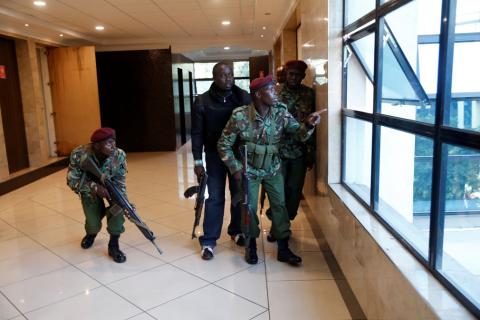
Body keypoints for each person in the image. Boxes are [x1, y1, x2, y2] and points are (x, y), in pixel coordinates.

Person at [217, 75, 325, 266]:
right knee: (248, 208)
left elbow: (298, 134)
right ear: (259, 94)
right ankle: (251, 246)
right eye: (271, 90)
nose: (276, 93)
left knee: (279, 206)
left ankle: (283, 248)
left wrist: (308, 124)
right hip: (249, 171)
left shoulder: (281, 112)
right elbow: (223, 144)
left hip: (273, 169)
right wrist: (235, 168)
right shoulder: (240, 115)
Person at [191, 62, 252, 260]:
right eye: (224, 75)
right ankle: (209, 240)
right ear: (214, 77)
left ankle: (236, 230)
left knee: (238, 193)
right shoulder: (202, 101)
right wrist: (198, 161)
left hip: (237, 155)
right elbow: (197, 133)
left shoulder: (242, 96)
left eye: (231, 74)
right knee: (215, 196)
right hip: (214, 154)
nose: (229, 78)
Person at [266, 60, 316, 242]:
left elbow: (313, 124)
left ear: (303, 76)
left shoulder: (309, 94)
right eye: (290, 74)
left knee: (294, 191)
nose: (293, 77)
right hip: (277, 151)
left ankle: (285, 222)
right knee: (278, 191)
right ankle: (277, 227)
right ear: (285, 75)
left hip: (299, 153)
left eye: (297, 74)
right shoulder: (275, 92)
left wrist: (311, 152)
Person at [67, 127, 128, 263]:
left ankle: (113, 244)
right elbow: (72, 180)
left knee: (118, 208)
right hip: (89, 191)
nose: (113, 146)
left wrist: (125, 202)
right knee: (93, 220)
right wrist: (94, 187)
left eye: (114, 142)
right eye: (108, 143)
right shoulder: (79, 154)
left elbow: (120, 181)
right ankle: (91, 233)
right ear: (97, 146)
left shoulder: (119, 155)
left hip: (112, 188)